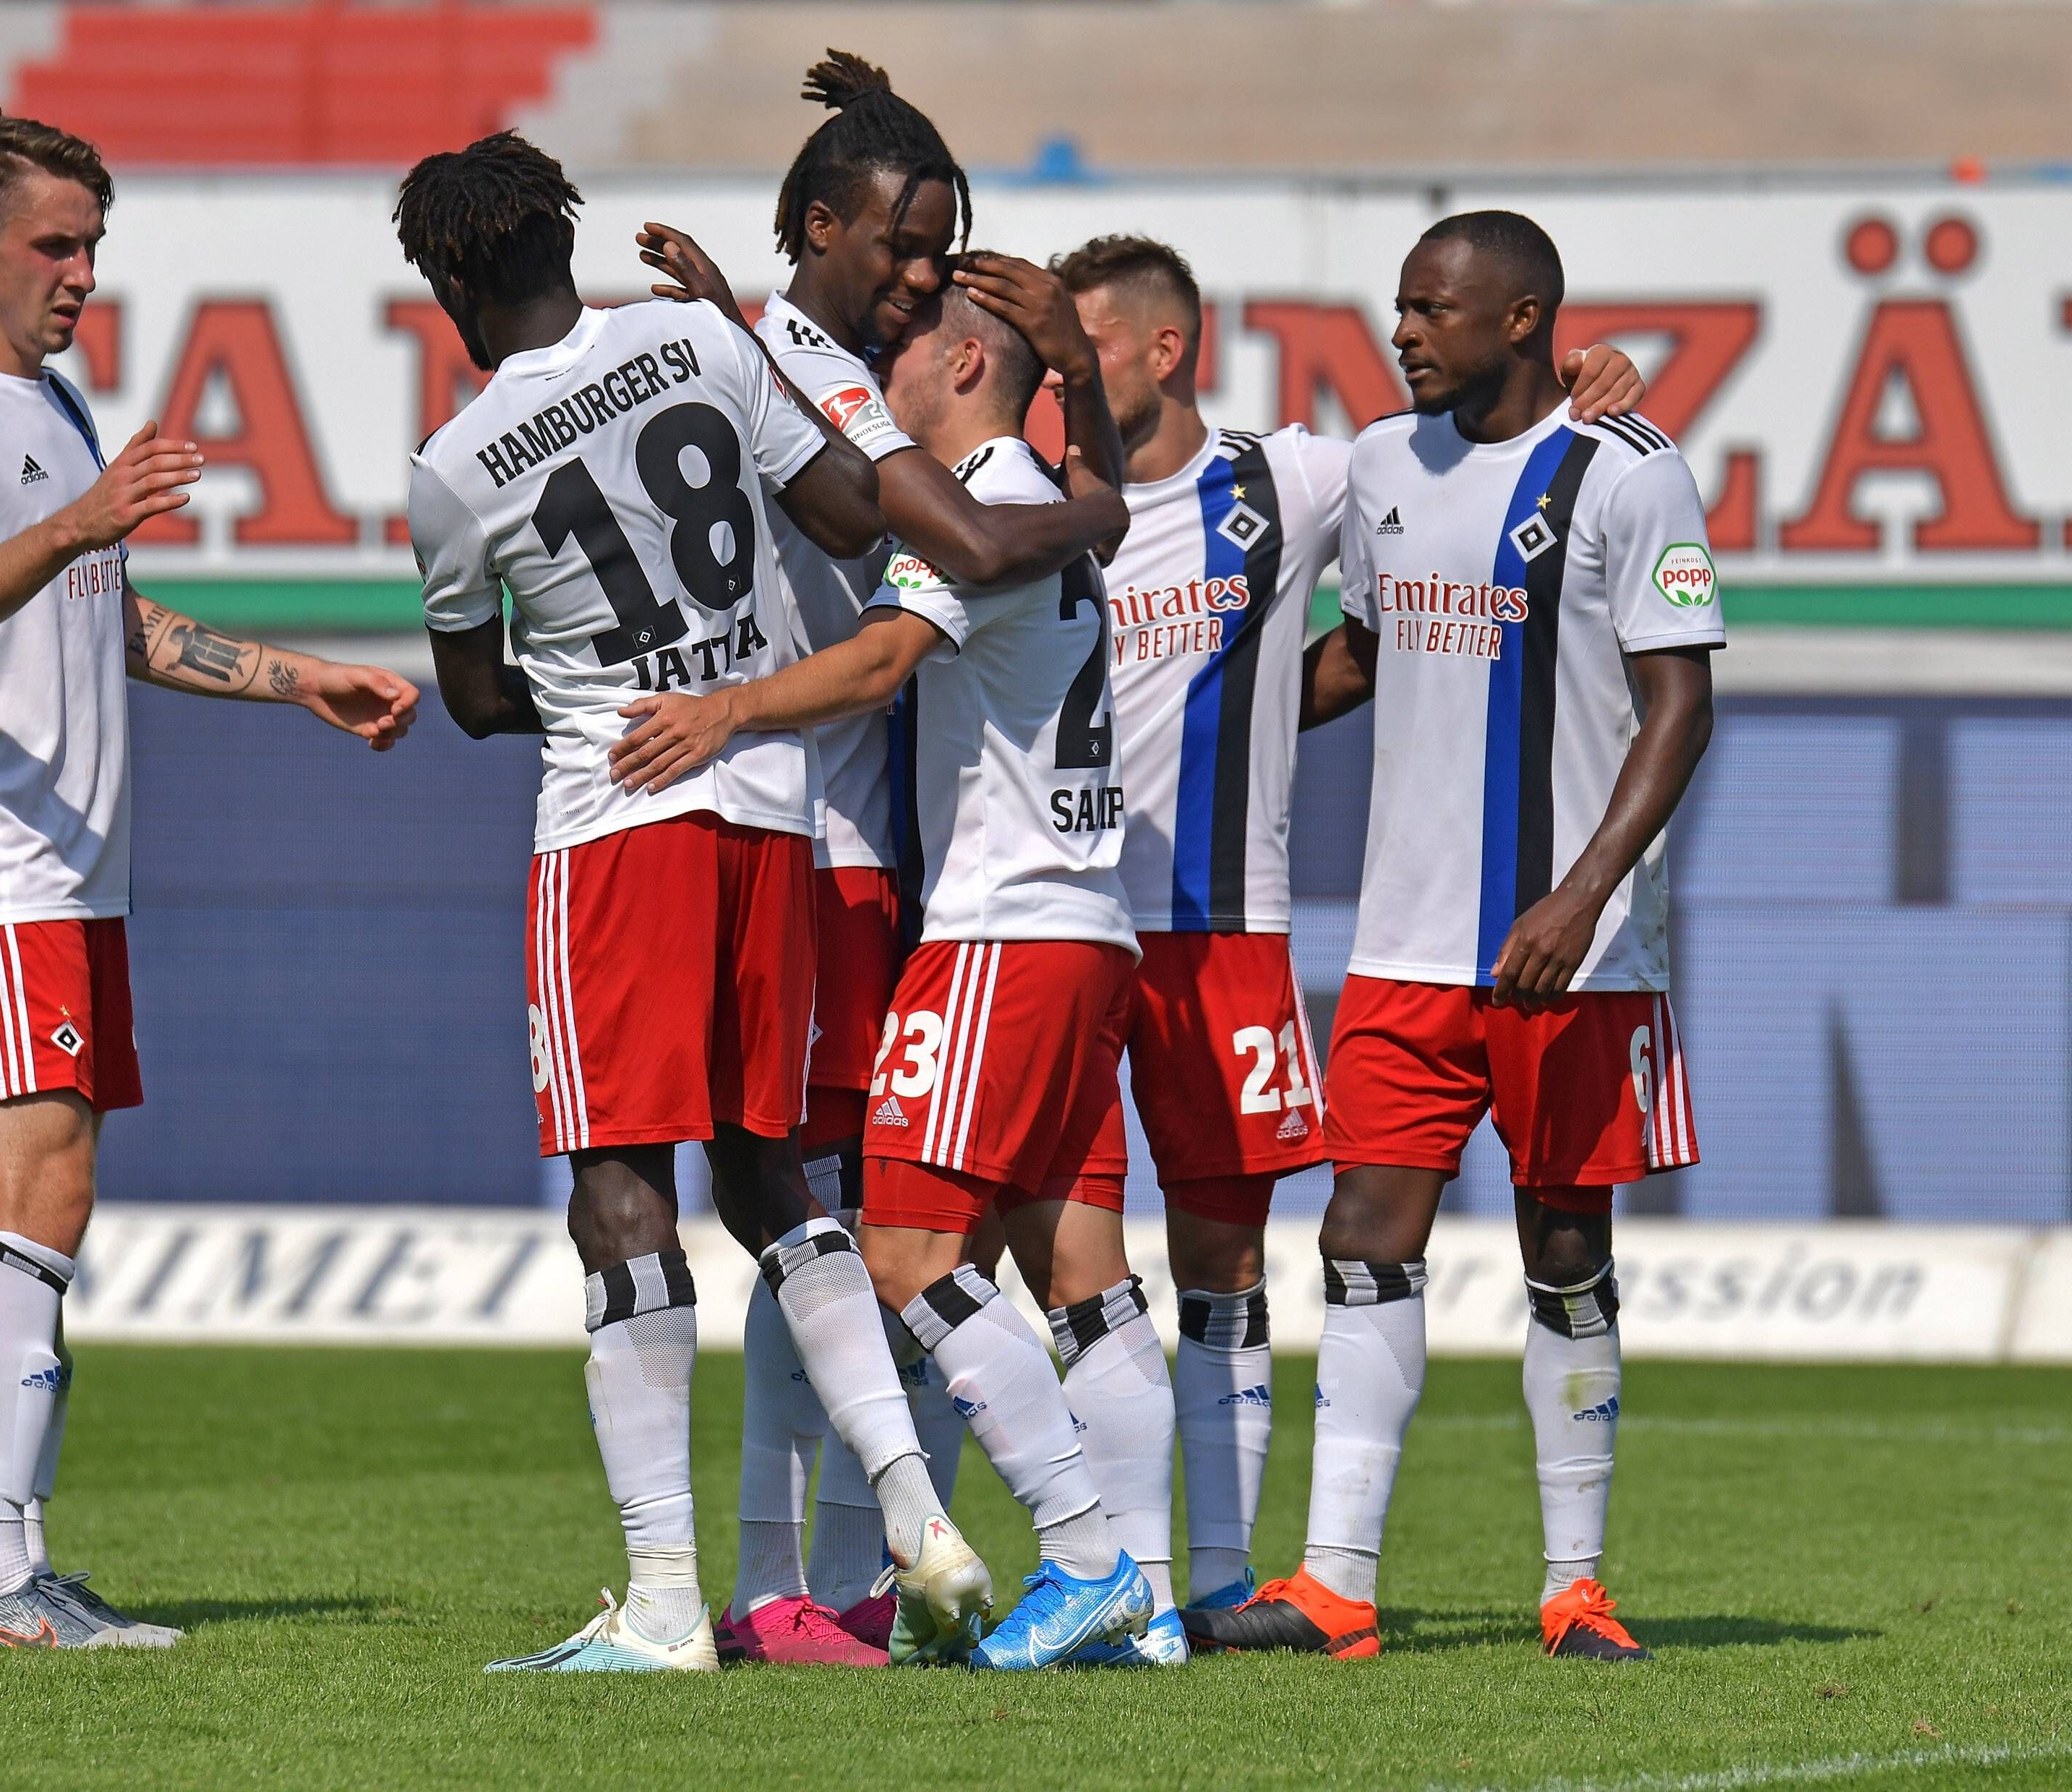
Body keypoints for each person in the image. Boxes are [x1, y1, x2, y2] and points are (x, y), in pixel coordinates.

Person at [398, 131, 992, 1674]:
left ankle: (666, 1602)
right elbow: (856, 517)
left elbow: (473, 697)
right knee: (773, 1179)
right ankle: (921, 1519)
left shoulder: (456, 467)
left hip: (616, 823)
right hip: (767, 804)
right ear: (565, 232)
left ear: (454, 275)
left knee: (618, 1187)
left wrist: (600, 685)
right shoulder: (694, 339)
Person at [0, 112, 419, 1650]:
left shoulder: (53, 401)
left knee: (50, 1190)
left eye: (92, 246)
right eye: (53, 245)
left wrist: (297, 676)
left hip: (69, 868)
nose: (81, 275)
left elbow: (103, 616)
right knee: (35, 1185)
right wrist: (82, 518)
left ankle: (13, 1556)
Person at [1048, 234, 1648, 1642]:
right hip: (1059, 926)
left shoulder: (1301, 477)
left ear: (1164, 347)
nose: (1066, 380)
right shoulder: (1021, 504)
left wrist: (1588, 379)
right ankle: (1129, 1577)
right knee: (1070, 1261)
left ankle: (1217, 1580)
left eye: (1087, 352)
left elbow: (1411, 581)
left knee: (1233, 1261)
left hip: (1227, 932)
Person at [635, 49, 1131, 1663]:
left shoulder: (833, 373)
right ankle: (827, 1576)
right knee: (812, 1211)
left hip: (846, 841)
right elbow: (898, 497)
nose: (920, 280)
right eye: (903, 249)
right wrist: (1091, 485)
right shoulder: (781, 359)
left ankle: (829, 1575)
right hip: (823, 834)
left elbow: (914, 532)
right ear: (819, 224)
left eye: (939, 262)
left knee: (824, 1216)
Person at [1195, 210, 1718, 1663]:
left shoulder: (1632, 470)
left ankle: (1576, 1584)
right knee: (1363, 1237)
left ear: (1524, 318)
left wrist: (1582, 890)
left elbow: (1681, 701)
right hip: (1404, 944)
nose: (1406, 329)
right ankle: (1336, 1582)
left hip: (1577, 954)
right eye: (1401, 305)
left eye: (1435, 309)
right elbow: (1365, 649)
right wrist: (1217, 730)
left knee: (1565, 1240)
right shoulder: (1379, 463)